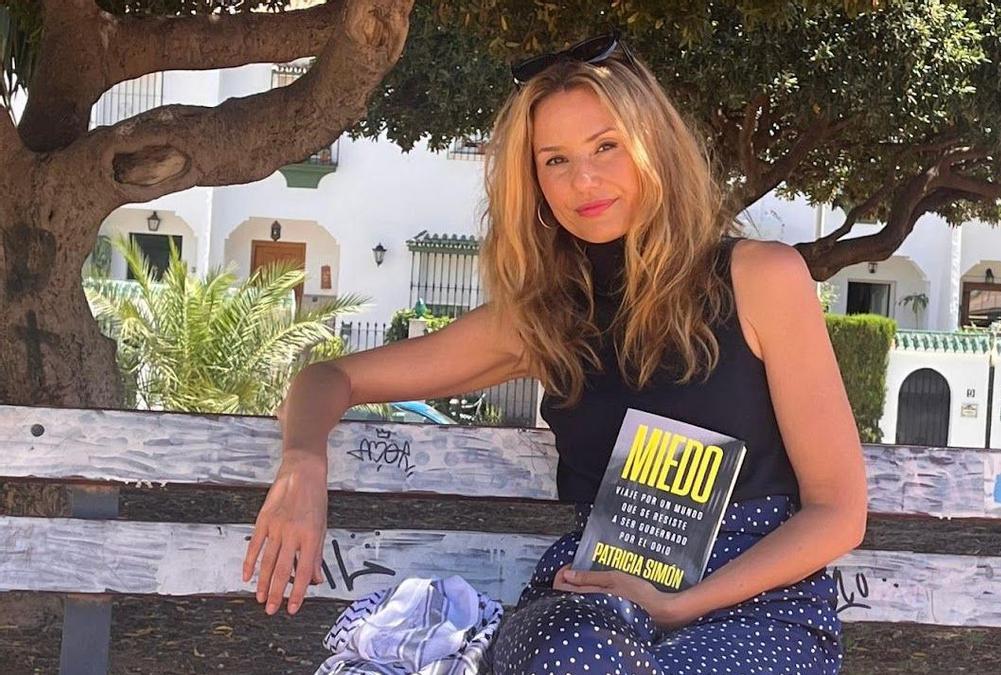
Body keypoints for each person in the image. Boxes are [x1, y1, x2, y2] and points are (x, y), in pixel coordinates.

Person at [243, 30, 867, 674]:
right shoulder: (545, 318)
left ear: (654, 146)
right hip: (597, 600)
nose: (583, 180)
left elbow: (838, 512)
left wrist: (684, 604)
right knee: (572, 656)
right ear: (533, 181)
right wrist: (301, 463)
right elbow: (331, 378)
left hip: (758, 605)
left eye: (606, 146)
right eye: (555, 160)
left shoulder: (760, 279)